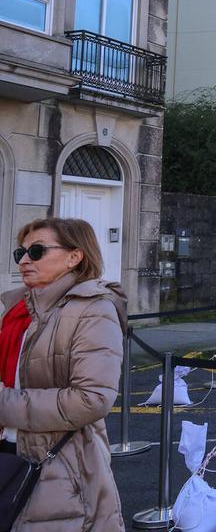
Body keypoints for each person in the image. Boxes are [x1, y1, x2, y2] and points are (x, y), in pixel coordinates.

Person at [3, 218, 126, 528]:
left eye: (38, 250)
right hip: (9, 451)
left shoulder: (93, 309)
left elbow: (92, 399)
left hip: (62, 467)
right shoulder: (17, 309)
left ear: (75, 256)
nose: (26, 260)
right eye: (22, 253)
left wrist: (3, 404)